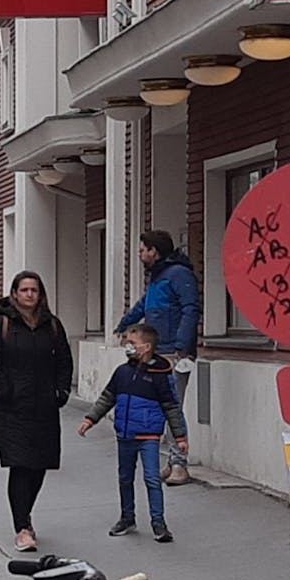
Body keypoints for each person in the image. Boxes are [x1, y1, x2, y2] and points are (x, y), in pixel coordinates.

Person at [0, 270, 74, 553]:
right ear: (15, 293)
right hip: (13, 409)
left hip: (45, 407)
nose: (29, 295)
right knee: (20, 465)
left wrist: (62, 390)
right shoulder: (3, 324)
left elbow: (64, 361)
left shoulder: (52, 326)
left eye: (34, 290)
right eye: (24, 290)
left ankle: (26, 515)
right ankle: (21, 527)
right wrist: (6, 391)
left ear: (40, 294)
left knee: (40, 465)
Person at [77, 324, 187, 543]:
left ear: (146, 347)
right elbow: (107, 398)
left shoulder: (160, 376)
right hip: (125, 435)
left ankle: (159, 523)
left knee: (152, 479)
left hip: (148, 436)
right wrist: (90, 419)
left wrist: (180, 437)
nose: (128, 346)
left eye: (132, 343)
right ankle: (127, 517)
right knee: (125, 478)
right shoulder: (122, 372)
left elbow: (172, 407)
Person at [114, 230, 201, 486]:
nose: (140, 254)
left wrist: (183, 346)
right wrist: (125, 324)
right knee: (161, 407)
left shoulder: (179, 275)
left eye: (143, 249)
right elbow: (145, 306)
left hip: (175, 352)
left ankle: (179, 464)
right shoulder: (159, 277)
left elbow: (190, 309)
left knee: (172, 407)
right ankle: (171, 461)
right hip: (159, 350)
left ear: (155, 250)